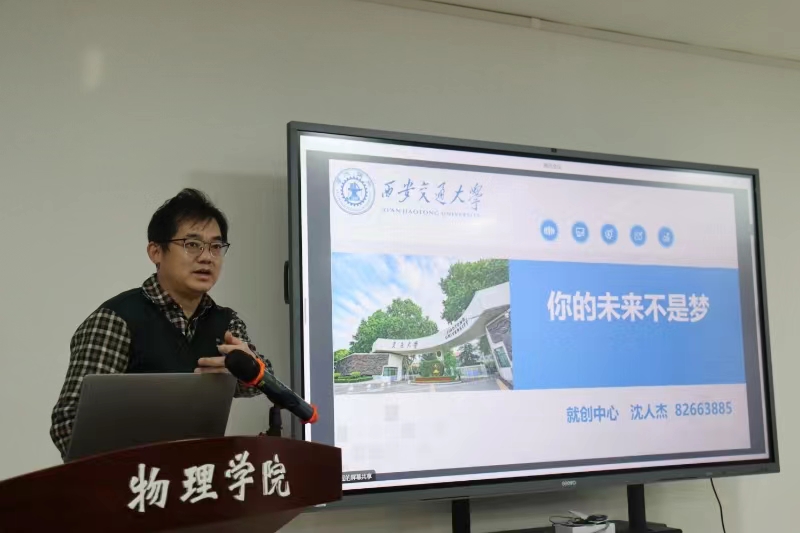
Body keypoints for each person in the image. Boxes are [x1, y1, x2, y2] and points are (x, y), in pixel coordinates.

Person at [50, 188, 273, 458]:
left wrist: (251, 369)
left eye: (216, 247)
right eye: (192, 244)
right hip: (134, 478)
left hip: (200, 476)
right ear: (156, 251)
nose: (207, 257)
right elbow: (69, 426)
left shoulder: (225, 322)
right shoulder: (117, 319)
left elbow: (265, 382)